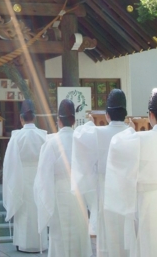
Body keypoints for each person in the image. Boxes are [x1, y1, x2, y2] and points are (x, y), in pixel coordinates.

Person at [104, 88, 157, 257]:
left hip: (147, 202)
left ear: (151, 114)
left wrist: (130, 129)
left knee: (149, 247)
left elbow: (116, 146)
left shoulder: (137, 139)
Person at [71, 88, 130, 257]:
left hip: (106, 190)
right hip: (127, 191)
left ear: (107, 115)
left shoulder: (97, 133)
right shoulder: (132, 134)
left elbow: (78, 136)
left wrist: (90, 122)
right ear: (125, 113)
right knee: (127, 235)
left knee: (107, 237)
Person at [34, 99, 92, 257]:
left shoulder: (52, 143)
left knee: (60, 238)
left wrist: (47, 203)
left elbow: (43, 178)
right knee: (79, 235)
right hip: (79, 195)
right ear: (74, 120)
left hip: (59, 195)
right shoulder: (82, 141)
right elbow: (89, 171)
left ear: (58, 120)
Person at [2, 99, 48, 253]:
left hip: (21, 176)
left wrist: (11, 183)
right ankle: (41, 242)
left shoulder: (17, 137)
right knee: (38, 207)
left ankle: (24, 243)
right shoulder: (44, 136)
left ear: (21, 118)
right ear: (34, 117)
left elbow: (9, 163)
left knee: (24, 209)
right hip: (40, 175)